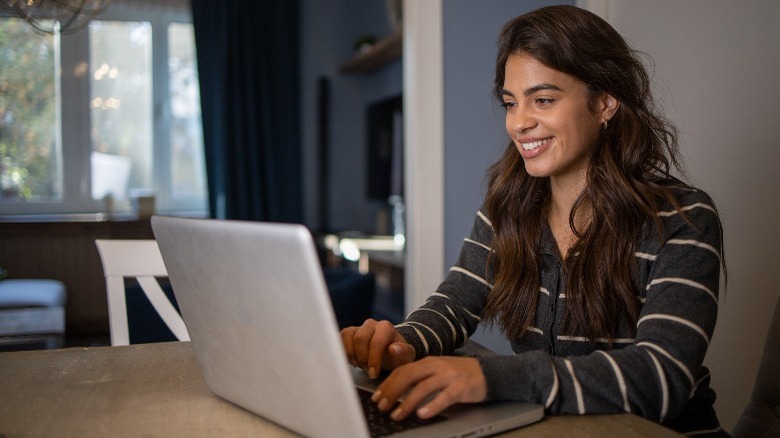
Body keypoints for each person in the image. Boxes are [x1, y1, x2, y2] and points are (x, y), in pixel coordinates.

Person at [341, 5, 727, 437]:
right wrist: (400, 344)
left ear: (605, 102)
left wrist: (494, 378)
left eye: (543, 99)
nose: (519, 122)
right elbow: (453, 306)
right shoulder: (507, 207)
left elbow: (662, 375)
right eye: (511, 103)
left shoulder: (682, 218)